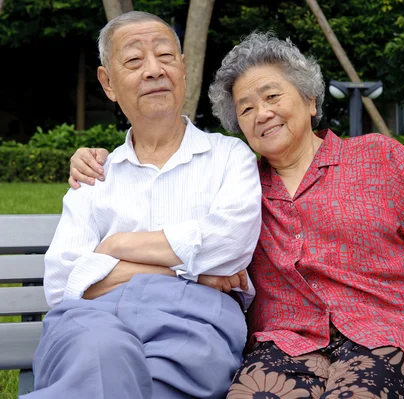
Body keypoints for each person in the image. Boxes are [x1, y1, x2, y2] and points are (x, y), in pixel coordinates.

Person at [70, 32, 404, 398]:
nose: (261, 113)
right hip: (285, 344)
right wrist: (92, 159)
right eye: (245, 109)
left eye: (272, 96)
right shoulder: (241, 181)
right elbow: (171, 188)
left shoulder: (376, 158)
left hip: (387, 336)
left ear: (311, 100)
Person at [26, 12, 262, 399]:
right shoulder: (95, 172)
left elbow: (228, 246)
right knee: (102, 352)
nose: (154, 70)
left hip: (193, 324)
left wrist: (114, 247)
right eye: (134, 61)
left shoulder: (229, 156)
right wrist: (194, 274)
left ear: (183, 69)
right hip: (91, 321)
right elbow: (62, 281)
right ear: (108, 83)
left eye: (166, 56)